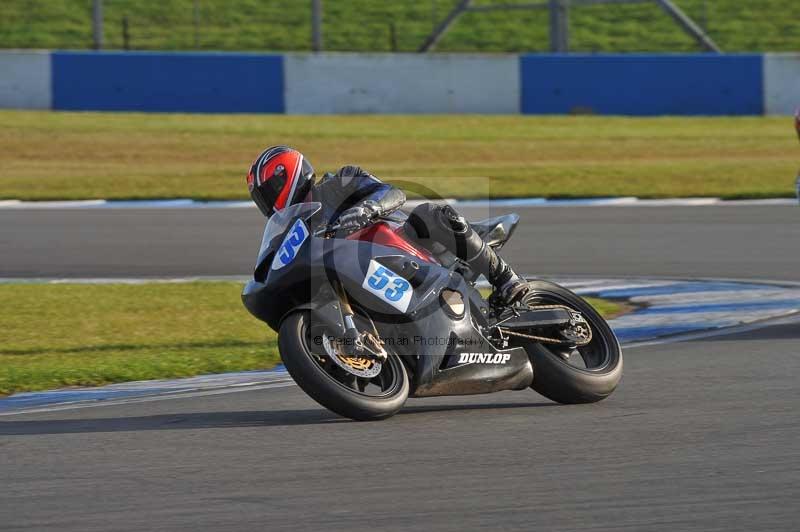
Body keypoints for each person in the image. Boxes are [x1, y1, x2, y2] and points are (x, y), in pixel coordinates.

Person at [247, 145, 528, 304]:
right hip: (360, 274)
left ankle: (506, 279)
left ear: (291, 173)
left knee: (429, 213)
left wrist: (367, 209)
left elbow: (392, 192)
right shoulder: (291, 231)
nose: (269, 201)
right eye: (263, 197)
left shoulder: (338, 183)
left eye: (270, 189)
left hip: (404, 244)